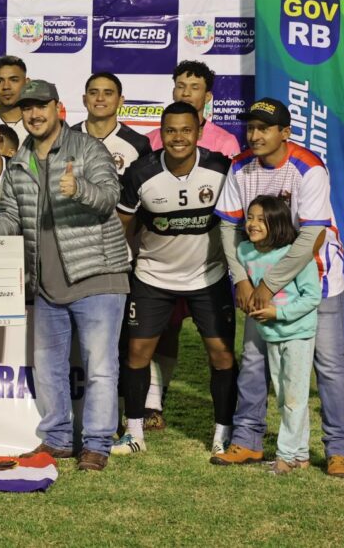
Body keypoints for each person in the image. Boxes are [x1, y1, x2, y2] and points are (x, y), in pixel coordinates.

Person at [0, 80, 130, 471]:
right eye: (28, 108)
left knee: (100, 367)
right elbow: (12, 218)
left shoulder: (88, 148)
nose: (34, 114)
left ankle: (97, 444)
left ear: (57, 108)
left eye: (41, 106)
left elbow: (109, 198)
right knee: (49, 367)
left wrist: (79, 188)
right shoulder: (19, 162)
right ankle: (58, 439)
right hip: (47, 283)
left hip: (98, 275)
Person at [211, 98, 344, 478]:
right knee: (254, 360)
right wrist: (242, 280)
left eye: (264, 128)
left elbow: (312, 236)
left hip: (316, 279)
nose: (255, 135)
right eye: (251, 127)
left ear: (285, 133)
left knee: (329, 366)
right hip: (259, 280)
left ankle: (339, 449)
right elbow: (228, 227)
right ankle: (248, 439)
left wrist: (267, 285)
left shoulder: (308, 167)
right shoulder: (240, 166)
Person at [112, 102, 236, 458]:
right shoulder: (141, 172)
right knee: (137, 352)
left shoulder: (220, 168)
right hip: (153, 275)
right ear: (161, 134)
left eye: (186, 130)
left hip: (207, 277)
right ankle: (134, 432)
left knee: (222, 355)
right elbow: (122, 225)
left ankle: (223, 434)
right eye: (170, 131)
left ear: (199, 132)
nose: (178, 138)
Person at [142, 60, 241, 429]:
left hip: (208, 263)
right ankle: (154, 402)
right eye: (180, 85)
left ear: (207, 96)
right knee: (162, 331)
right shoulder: (153, 140)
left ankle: (227, 418)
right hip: (162, 262)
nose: (186, 92)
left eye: (194, 87)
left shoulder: (225, 143)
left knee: (216, 341)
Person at [237, 196, 321, 474]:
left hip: (298, 333)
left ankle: (285, 458)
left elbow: (313, 297)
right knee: (286, 396)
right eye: (250, 217)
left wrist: (278, 313)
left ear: (278, 223)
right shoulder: (244, 251)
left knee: (294, 397)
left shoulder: (294, 256)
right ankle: (301, 455)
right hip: (270, 334)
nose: (253, 224)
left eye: (262, 219)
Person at [77, 72, 151, 175]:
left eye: (108, 93)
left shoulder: (138, 144)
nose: (100, 98)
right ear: (85, 100)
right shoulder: (64, 139)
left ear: (120, 101)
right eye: (93, 93)